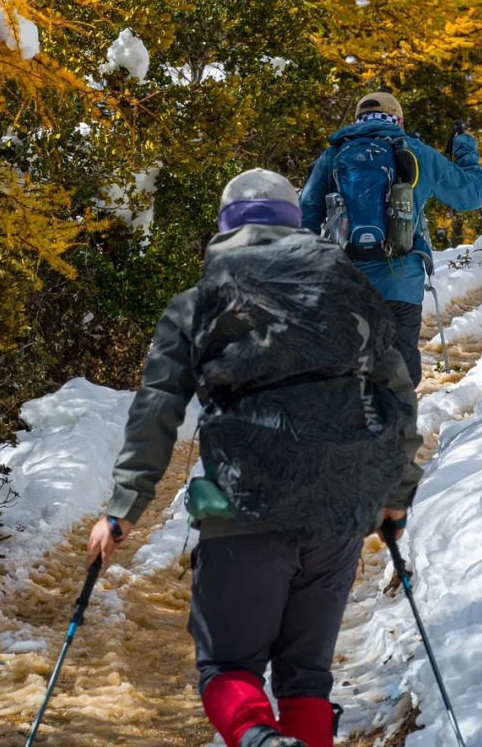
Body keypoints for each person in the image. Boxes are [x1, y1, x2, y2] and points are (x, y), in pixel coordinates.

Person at [87, 167, 422, 747]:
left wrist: (124, 508)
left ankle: (259, 741)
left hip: (244, 508)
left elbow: (157, 408)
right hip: (339, 511)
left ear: (225, 229)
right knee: (307, 681)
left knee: (228, 669)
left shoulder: (196, 304)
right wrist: (396, 496)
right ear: (296, 227)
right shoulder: (349, 297)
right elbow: (398, 396)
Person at [300, 92, 482, 387]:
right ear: (398, 121)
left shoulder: (333, 156)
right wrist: (464, 148)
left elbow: (304, 219)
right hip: (400, 282)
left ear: (358, 120)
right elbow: (473, 195)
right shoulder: (416, 152)